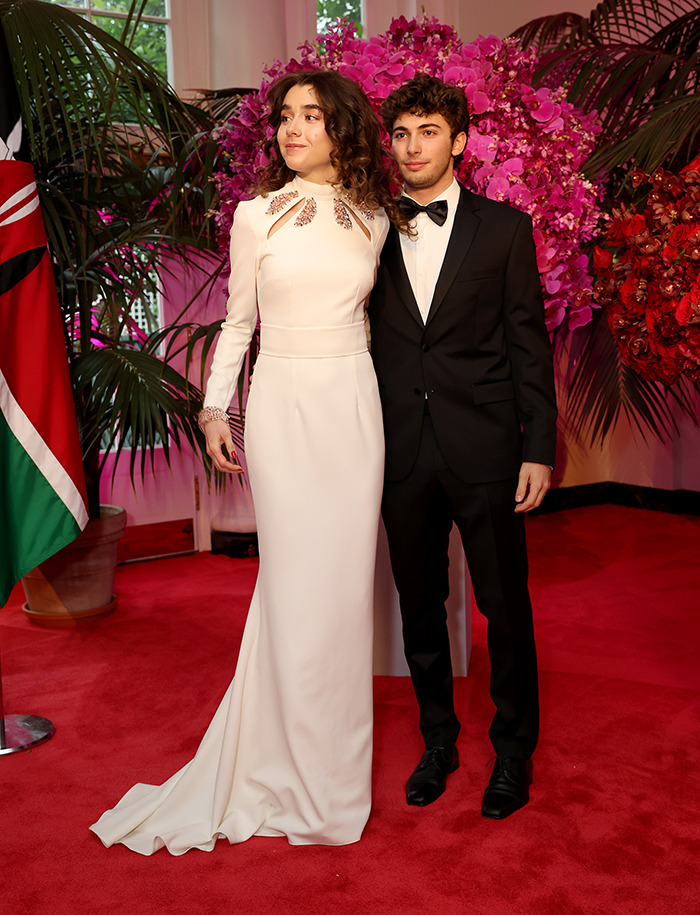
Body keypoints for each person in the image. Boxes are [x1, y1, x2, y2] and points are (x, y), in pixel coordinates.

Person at [90, 69, 405, 854]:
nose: (291, 129)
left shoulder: (376, 216)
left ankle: (332, 780)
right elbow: (236, 323)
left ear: (343, 128)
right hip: (284, 404)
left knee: (342, 595)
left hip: (354, 408)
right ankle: (283, 770)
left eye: (309, 116)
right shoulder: (255, 214)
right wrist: (213, 407)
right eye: (283, 117)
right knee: (294, 586)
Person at [368, 75, 557, 819]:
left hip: (486, 450)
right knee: (419, 605)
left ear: (460, 141)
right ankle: (437, 741)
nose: (412, 148)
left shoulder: (506, 229)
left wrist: (537, 447)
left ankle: (513, 752)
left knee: (504, 607)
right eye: (402, 134)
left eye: (427, 133)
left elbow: (528, 346)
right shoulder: (369, 227)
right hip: (400, 450)